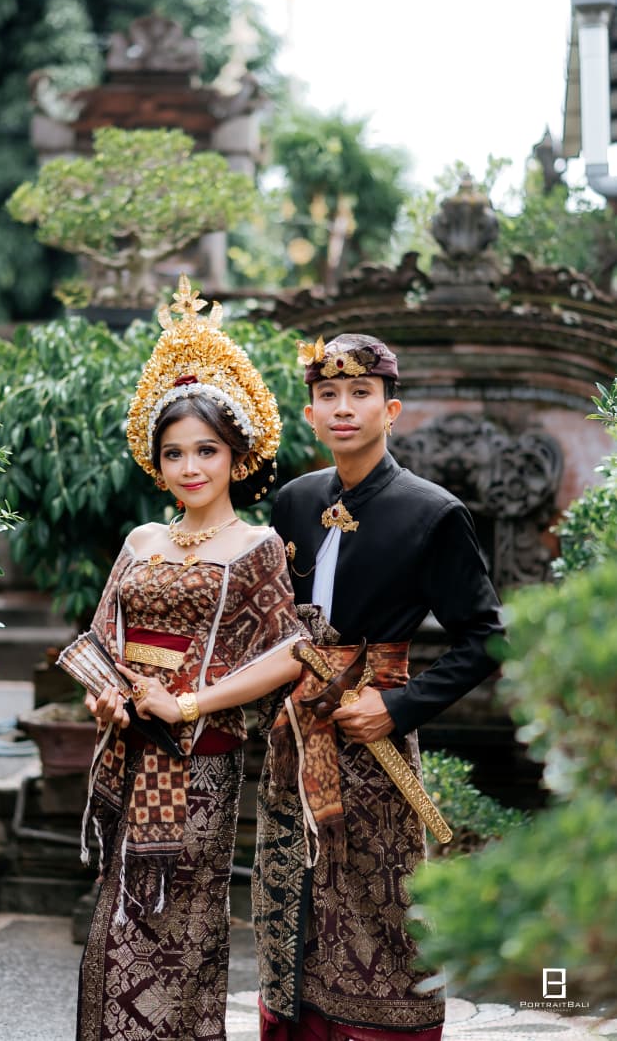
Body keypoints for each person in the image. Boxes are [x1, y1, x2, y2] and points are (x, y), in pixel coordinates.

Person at [64, 275, 306, 1041]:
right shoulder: (141, 540)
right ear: (156, 461)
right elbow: (101, 641)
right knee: (113, 929)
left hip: (198, 764)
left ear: (237, 456)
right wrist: (104, 696)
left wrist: (189, 702)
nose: (190, 467)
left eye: (207, 450)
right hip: (127, 755)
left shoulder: (257, 546)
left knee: (178, 931)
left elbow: (290, 653)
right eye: (174, 453)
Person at [252, 332, 504, 1041]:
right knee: (289, 905)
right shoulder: (293, 502)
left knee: (382, 917)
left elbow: (487, 636)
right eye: (327, 395)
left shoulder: (433, 513)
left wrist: (397, 706)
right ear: (309, 415)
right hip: (295, 745)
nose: (343, 408)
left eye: (360, 394)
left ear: (391, 410)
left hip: (375, 746)